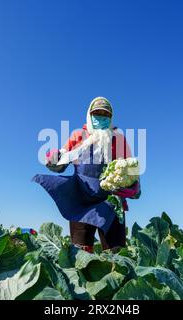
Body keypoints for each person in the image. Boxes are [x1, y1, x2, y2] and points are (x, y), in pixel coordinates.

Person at [32, 97, 140, 253]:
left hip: (111, 203)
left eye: (105, 114)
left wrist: (134, 187)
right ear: (90, 115)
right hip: (81, 202)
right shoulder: (78, 135)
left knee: (116, 254)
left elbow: (131, 169)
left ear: (110, 118)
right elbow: (60, 164)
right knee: (80, 253)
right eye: (97, 113)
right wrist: (53, 158)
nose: (101, 117)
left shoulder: (118, 138)